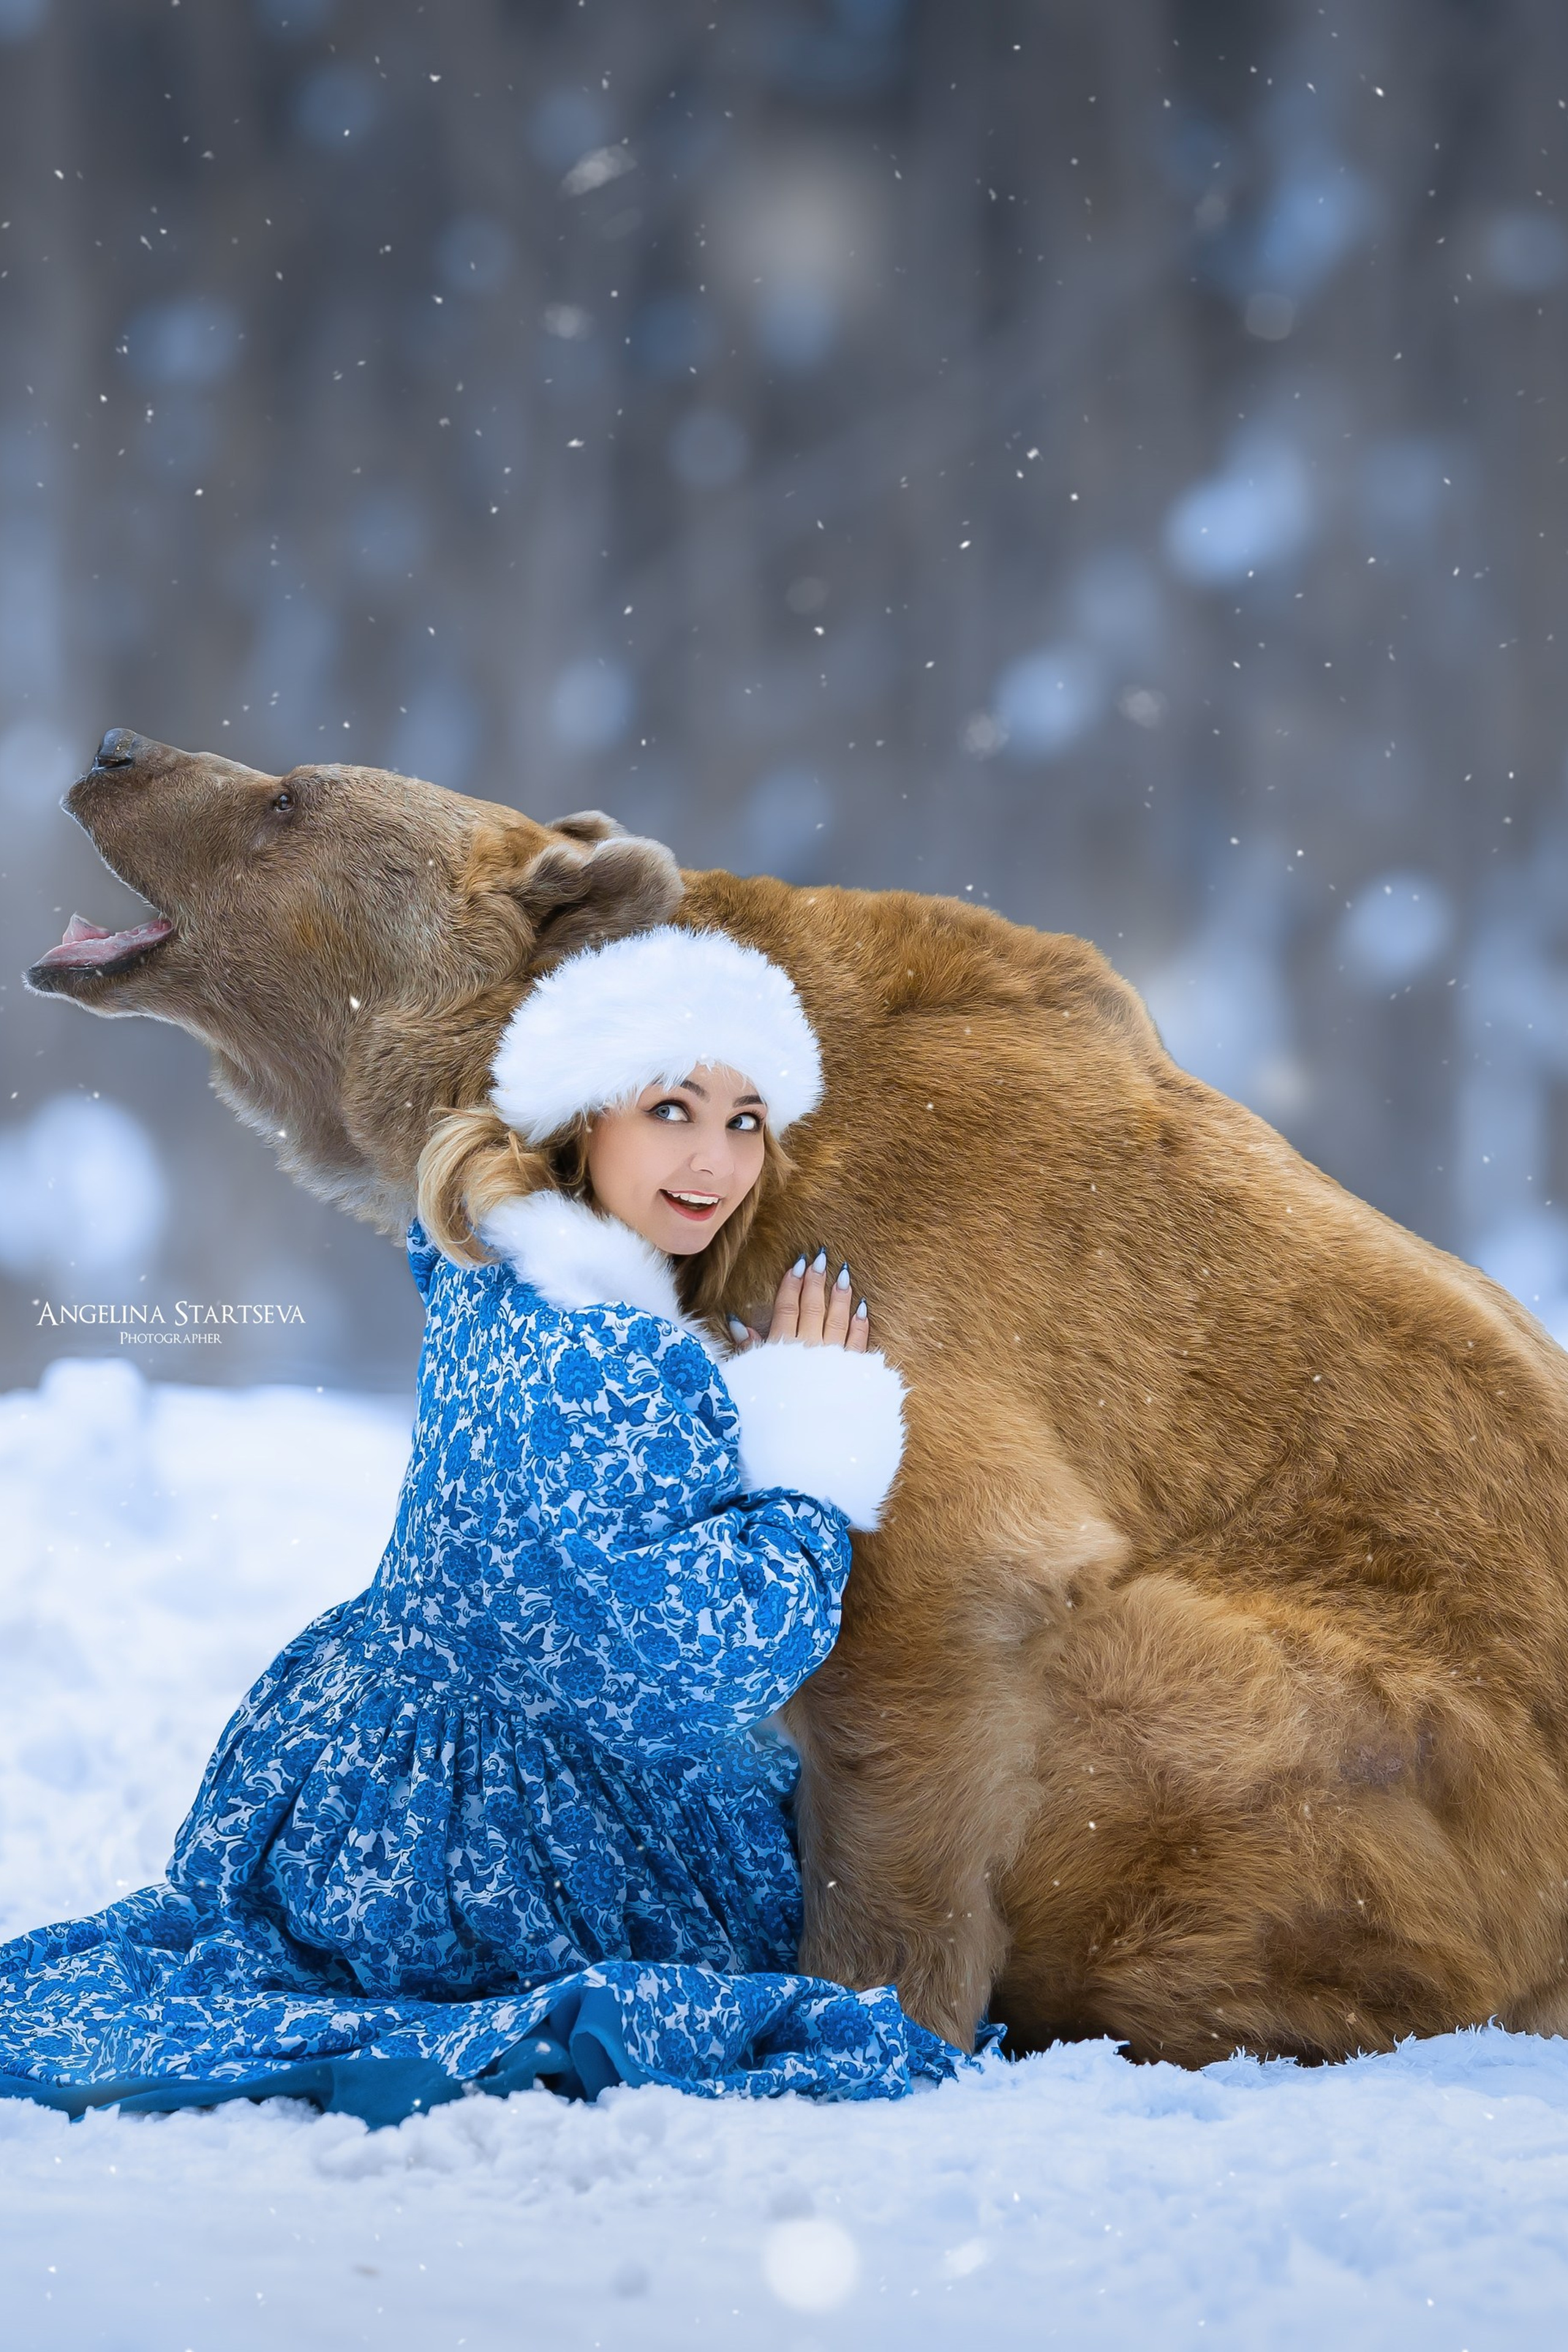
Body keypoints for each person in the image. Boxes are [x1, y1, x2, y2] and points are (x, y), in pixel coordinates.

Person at [0, 925, 976, 2125]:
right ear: (582, 1117)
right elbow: (682, 1670)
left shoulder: (487, 1272)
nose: (716, 1160)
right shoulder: (606, 1356)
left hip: (360, 1780)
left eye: (744, 1119)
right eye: (672, 1108)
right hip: (499, 1849)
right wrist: (807, 1475)